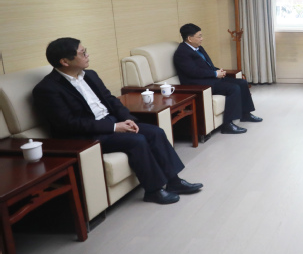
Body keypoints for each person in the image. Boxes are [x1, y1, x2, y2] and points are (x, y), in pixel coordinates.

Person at [33, 38, 203, 205]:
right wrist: (114, 127)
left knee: (156, 132)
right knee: (137, 140)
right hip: (87, 135)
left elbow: (111, 100)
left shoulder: (90, 75)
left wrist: (127, 119)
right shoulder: (47, 89)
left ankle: (174, 181)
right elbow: (68, 123)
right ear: (65, 61)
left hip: (111, 122)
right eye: (82, 53)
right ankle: (153, 191)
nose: (87, 55)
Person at [173, 23, 261, 134]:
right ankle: (227, 125)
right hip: (199, 84)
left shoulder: (198, 48)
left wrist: (219, 71)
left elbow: (207, 65)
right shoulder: (182, 53)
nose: (202, 39)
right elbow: (193, 72)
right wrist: (214, 74)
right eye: (199, 36)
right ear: (189, 38)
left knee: (242, 83)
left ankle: (245, 114)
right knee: (233, 88)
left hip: (209, 78)